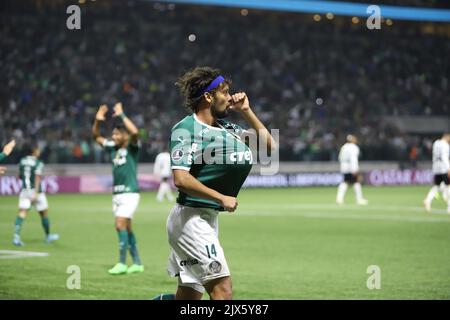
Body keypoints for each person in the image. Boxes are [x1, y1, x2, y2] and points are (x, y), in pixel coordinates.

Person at [156, 66, 275, 300]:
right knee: (223, 290)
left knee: (189, 297)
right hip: (190, 220)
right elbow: (181, 178)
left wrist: (246, 111)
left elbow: (269, 147)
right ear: (209, 97)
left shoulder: (229, 129)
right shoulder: (186, 129)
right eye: (225, 91)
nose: (231, 97)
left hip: (207, 219)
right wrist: (221, 197)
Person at [92, 102, 144, 275]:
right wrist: (98, 120)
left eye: (116, 134)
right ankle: (137, 263)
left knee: (119, 224)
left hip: (130, 193)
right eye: (112, 133)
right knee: (127, 228)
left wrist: (121, 114)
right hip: (117, 195)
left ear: (124, 135)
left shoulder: (132, 147)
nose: (113, 136)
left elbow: (135, 132)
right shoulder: (112, 148)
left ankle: (121, 263)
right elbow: (96, 137)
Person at [13, 144, 59, 246]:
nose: (39, 152)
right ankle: (48, 236)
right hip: (36, 191)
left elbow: (19, 176)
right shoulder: (38, 163)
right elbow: (38, 177)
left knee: (22, 212)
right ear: (34, 151)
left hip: (25, 190)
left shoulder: (22, 161)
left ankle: (16, 237)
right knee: (44, 213)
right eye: (38, 150)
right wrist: (35, 192)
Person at [336, 135, 368, 205]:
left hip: (343, 166)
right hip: (351, 167)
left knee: (346, 182)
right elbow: (353, 159)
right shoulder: (354, 147)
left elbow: (339, 158)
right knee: (356, 182)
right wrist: (355, 169)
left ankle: (339, 198)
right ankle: (359, 199)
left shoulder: (344, 147)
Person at [424, 133, 450, 213]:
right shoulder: (445, 145)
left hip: (436, 168)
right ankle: (449, 206)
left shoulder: (436, 143)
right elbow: (444, 157)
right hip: (444, 168)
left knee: (437, 186)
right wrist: (448, 168)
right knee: (448, 187)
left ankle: (428, 200)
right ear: (447, 137)